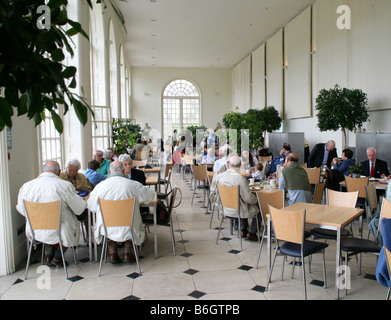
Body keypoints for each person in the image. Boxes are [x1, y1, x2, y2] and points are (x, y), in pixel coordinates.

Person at [16, 161, 87, 266]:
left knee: (47, 228)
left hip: (35, 228)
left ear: (42, 171)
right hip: (60, 228)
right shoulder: (63, 185)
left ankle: (48, 256)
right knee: (62, 226)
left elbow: (22, 209)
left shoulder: (26, 187)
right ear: (59, 173)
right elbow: (79, 208)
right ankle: (58, 256)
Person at [87, 161, 155, 264]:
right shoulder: (132, 184)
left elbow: (91, 206)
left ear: (109, 171)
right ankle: (127, 252)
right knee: (128, 223)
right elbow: (150, 195)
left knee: (112, 225)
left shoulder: (100, 186)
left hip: (107, 228)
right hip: (129, 226)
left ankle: (112, 252)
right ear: (123, 171)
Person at [213, 155, 260, 241]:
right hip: (238, 211)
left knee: (240, 202)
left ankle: (243, 230)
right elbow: (248, 198)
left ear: (228, 164)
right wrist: (257, 200)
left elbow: (213, 193)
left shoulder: (220, 177)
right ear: (240, 165)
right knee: (257, 205)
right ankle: (252, 233)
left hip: (224, 208)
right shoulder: (240, 179)